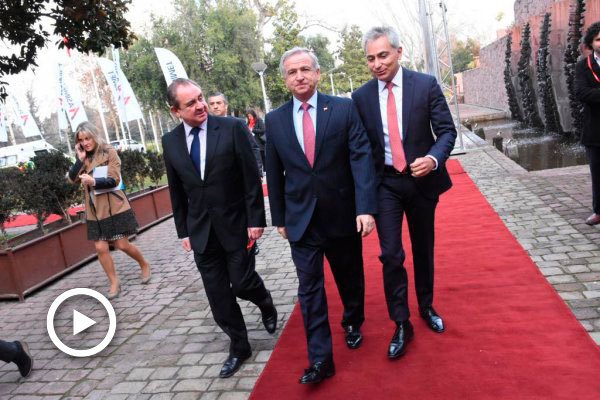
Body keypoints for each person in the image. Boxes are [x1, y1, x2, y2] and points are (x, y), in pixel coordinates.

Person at [265, 47, 377, 384]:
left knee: (349, 278)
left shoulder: (343, 108)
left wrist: (365, 207)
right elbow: (274, 172)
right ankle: (321, 360)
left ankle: (353, 320)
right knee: (309, 290)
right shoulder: (276, 120)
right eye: (291, 72)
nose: (298, 76)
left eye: (304, 70)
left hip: (342, 214)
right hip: (302, 221)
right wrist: (280, 218)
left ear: (316, 73)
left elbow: (360, 157)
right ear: (285, 80)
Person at [352, 26, 456, 359]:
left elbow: (446, 132)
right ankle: (401, 322)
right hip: (386, 184)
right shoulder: (361, 97)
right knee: (391, 254)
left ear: (399, 52)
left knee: (423, 247)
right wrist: (363, 201)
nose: (377, 64)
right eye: (370, 58)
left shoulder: (425, 86)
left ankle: (426, 306)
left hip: (422, 181)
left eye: (383, 55)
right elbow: (362, 150)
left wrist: (433, 159)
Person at [162, 78, 277, 379]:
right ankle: (239, 346)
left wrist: (256, 220)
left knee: (240, 283)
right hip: (201, 231)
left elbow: (250, 177)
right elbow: (176, 189)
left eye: (200, 98)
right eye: (191, 103)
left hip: (236, 224)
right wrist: (183, 230)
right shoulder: (170, 141)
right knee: (218, 297)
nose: (200, 105)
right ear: (176, 110)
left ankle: (264, 301)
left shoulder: (232, 127)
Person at [67, 122, 151, 299]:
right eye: (81, 140)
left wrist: (94, 181)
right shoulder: (83, 156)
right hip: (94, 209)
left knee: (122, 244)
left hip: (115, 206)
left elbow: (114, 180)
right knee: (100, 248)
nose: (85, 143)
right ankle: (114, 281)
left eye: (88, 138)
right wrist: (79, 160)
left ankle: (144, 264)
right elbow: (72, 179)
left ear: (94, 135)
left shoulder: (109, 151)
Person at [575, 21, 600, 226]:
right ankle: (598, 211)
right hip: (595, 129)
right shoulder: (583, 65)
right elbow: (581, 92)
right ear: (591, 43)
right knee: (598, 173)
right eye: (598, 39)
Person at [208, 92, 264, 176]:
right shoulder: (205, 128)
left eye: (218, 103)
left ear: (226, 105)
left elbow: (253, 148)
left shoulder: (238, 123)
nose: (215, 106)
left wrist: (258, 172)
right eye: (212, 104)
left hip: (240, 176)